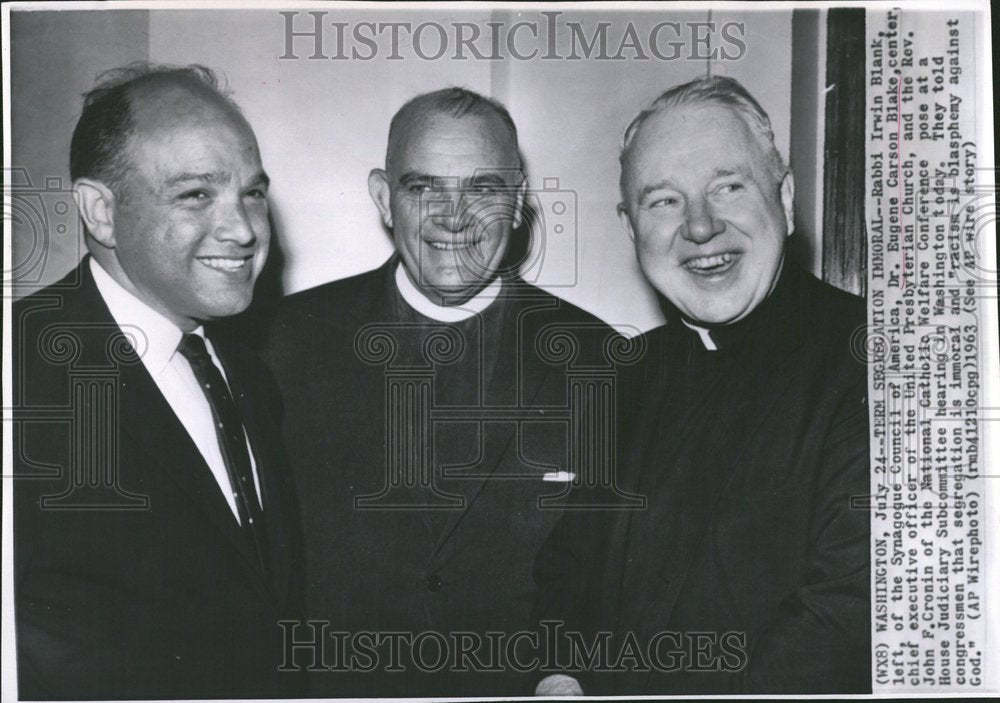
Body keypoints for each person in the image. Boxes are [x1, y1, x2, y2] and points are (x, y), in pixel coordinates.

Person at [264, 87, 618, 696]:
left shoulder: (599, 358)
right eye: (423, 187)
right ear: (383, 197)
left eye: (482, 188)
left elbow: (610, 567)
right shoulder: (282, 343)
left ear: (519, 201)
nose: (454, 217)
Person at [533, 75, 871, 694]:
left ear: (787, 198)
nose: (699, 226)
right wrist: (557, 675)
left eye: (728, 187)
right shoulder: (623, 374)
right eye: (663, 200)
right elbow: (567, 570)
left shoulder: (871, 359)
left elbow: (845, 616)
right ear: (632, 228)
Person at [13, 63, 302, 699]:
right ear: (100, 211)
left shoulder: (251, 372)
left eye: (252, 193)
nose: (245, 230)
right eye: (197, 194)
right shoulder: (18, 371)